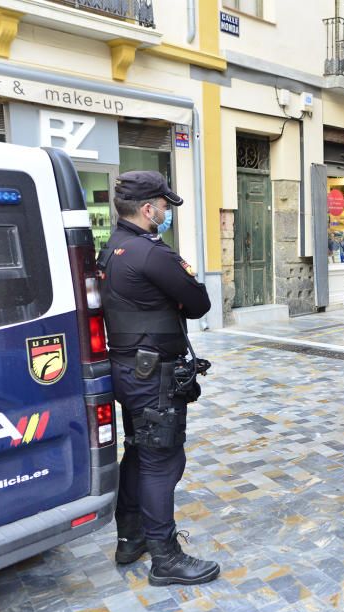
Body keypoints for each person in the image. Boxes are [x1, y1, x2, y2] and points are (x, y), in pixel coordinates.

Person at [97, 171, 219, 586]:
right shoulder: (152, 253)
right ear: (148, 209)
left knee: (138, 452)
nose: (167, 212)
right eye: (164, 206)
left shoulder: (112, 247)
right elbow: (199, 303)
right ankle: (165, 558)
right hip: (152, 377)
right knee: (162, 462)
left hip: (128, 370)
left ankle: (130, 539)